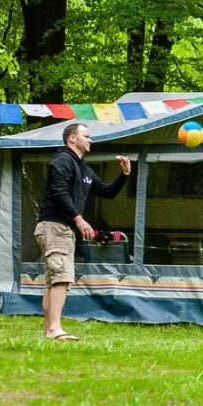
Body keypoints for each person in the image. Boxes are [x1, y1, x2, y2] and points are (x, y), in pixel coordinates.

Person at [35, 123, 131, 341]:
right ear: (72, 138)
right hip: (54, 225)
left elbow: (107, 192)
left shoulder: (84, 169)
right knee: (61, 278)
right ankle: (54, 329)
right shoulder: (62, 161)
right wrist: (78, 219)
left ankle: (49, 331)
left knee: (54, 281)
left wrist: (124, 174)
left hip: (62, 229)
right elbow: (59, 192)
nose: (90, 140)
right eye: (86, 136)